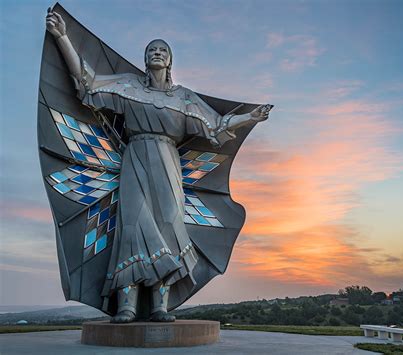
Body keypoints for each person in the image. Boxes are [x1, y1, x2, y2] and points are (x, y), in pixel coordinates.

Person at [46, 9, 271, 323]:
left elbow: (217, 126)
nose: (156, 52)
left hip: (168, 164)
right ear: (145, 58)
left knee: (168, 226)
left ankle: (159, 306)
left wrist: (251, 117)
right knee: (132, 228)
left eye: (162, 50)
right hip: (135, 159)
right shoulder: (129, 87)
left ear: (170, 61)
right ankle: (126, 305)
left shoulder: (184, 99)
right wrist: (62, 37)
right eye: (151, 49)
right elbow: (89, 84)